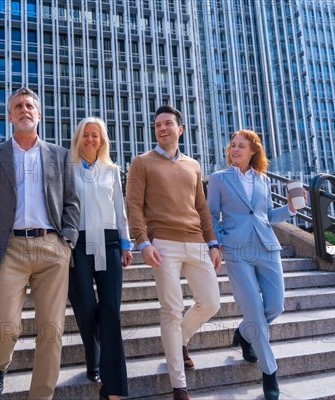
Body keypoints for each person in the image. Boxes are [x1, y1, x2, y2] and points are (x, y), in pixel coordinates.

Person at [0, 87, 80, 400]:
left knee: (51, 330)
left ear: (39, 114)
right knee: (4, 325)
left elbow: (71, 202)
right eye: (17, 106)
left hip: (52, 249)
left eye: (29, 105)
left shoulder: (60, 155)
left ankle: (41, 396)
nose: (24, 109)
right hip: (8, 250)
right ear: (10, 115)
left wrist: (67, 240)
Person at [126, 105, 221, 400]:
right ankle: (179, 385)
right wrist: (142, 241)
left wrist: (213, 243)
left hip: (196, 241)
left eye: (168, 124)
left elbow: (202, 208)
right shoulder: (141, 163)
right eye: (157, 125)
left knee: (211, 302)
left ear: (180, 129)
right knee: (171, 309)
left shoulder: (193, 165)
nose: (163, 128)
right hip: (162, 243)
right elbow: (133, 206)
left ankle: (180, 340)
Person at [207, 129, 302, 400]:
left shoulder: (262, 179)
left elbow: (267, 215)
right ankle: (269, 373)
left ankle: (243, 332)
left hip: (267, 247)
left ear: (253, 152)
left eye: (241, 146)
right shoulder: (218, 179)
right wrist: (218, 243)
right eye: (232, 145)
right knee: (255, 314)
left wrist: (291, 210)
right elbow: (211, 215)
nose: (235, 149)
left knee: (275, 305)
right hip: (237, 251)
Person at [68, 117, 133, 400]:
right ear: (78, 139)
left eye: (95, 136)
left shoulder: (112, 170)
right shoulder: (66, 169)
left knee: (110, 311)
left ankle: (114, 388)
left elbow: (119, 208)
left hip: (108, 242)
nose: (90, 140)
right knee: (84, 306)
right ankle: (91, 352)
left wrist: (126, 242)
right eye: (86, 135)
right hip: (78, 244)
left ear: (102, 140)